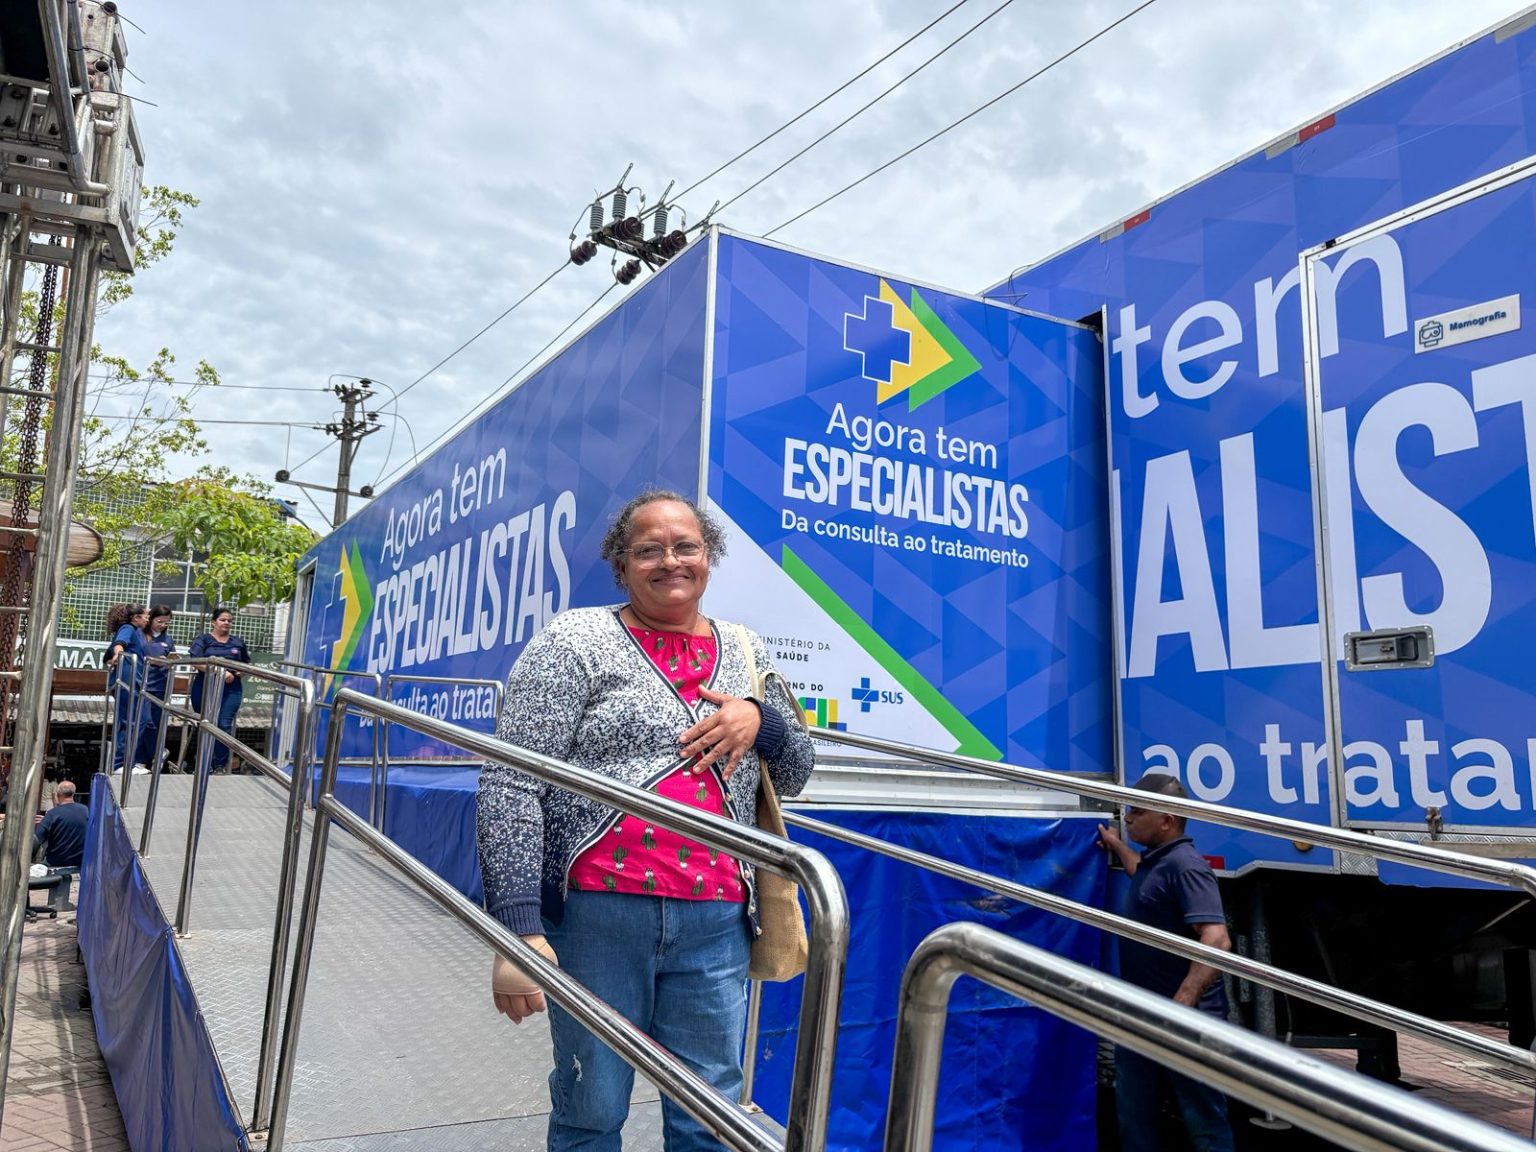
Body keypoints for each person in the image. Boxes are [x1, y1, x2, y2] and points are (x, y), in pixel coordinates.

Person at [477, 489, 815, 1152]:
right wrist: (516, 933)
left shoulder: (746, 651)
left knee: (710, 1113)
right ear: (622, 565)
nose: (669, 560)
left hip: (716, 921)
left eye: (685, 545)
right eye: (648, 549)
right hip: (598, 917)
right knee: (591, 1105)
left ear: (708, 557)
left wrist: (762, 720)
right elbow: (510, 781)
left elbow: (798, 771)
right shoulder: (575, 641)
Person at [1098, 773, 1236, 1152]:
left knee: (1203, 1120)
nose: (1127, 819)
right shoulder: (1156, 863)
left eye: (1136, 813)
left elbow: (1217, 939)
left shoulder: (1186, 867)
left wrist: (1182, 1002)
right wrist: (1116, 845)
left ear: (1167, 820)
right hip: (1144, 1014)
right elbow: (1141, 878)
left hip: (1185, 1021)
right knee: (1134, 1115)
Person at [189, 606, 253, 774]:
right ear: (213, 622)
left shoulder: (237, 642)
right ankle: (204, 763)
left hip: (231, 689)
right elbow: (195, 661)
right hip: (205, 686)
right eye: (222, 620)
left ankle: (219, 764)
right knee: (206, 723)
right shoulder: (203, 640)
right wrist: (219, 671)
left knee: (223, 724)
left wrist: (241, 671)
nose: (226, 623)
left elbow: (246, 664)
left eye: (229, 621)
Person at [130, 604, 177, 773]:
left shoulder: (168, 640)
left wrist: (170, 660)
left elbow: (171, 658)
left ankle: (141, 760)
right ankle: (158, 751)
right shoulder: (139, 635)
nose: (162, 625)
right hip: (142, 684)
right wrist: (153, 660)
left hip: (160, 686)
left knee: (154, 724)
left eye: (166, 623)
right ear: (151, 619)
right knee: (145, 723)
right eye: (159, 621)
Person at [104, 603, 148, 774]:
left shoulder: (137, 633)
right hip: (127, 680)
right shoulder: (128, 628)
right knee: (130, 721)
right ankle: (119, 764)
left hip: (133, 681)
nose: (147, 619)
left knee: (138, 720)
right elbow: (119, 644)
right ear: (136, 618)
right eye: (145, 616)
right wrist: (118, 653)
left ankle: (129, 761)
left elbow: (109, 653)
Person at [34, 780, 88, 909]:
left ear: (58, 795)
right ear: (73, 794)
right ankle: (62, 904)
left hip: (57, 859)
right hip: (81, 859)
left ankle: (56, 904)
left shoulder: (53, 814)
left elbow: (38, 838)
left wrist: (46, 823)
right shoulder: (85, 810)